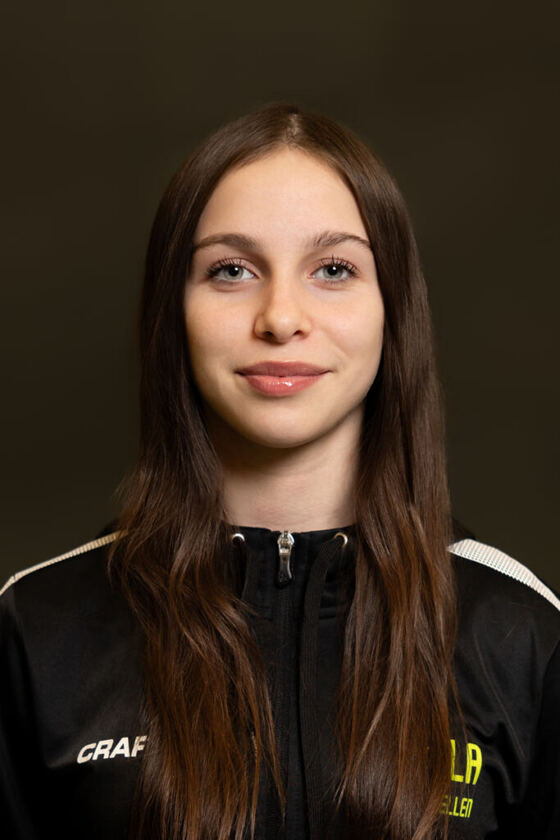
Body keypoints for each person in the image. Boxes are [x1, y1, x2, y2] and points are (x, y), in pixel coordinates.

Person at [1, 102, 559, 840]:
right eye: (231, 270)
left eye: (334, 269)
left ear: (392, 307)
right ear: (174, 310)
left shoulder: (518, 632)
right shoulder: (38, 628)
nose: (282, 317)